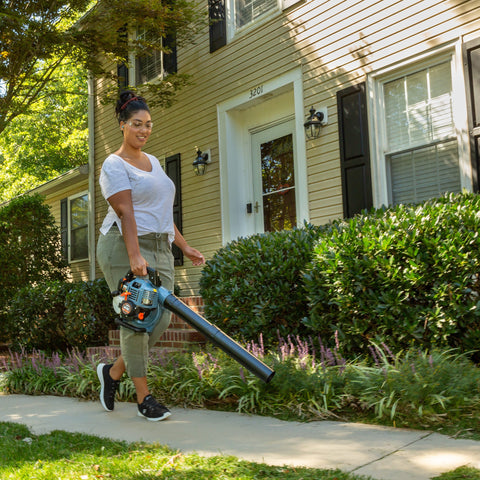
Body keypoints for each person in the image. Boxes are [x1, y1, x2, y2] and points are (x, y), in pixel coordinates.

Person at [96, 90, 205, 421]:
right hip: (122, 245)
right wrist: (134, 257)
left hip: (160, 245)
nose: (143, 130)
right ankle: (144, 399)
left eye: (148, 125)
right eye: (136, 124)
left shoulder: (153, 162)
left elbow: (160, 211)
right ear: (122, 125)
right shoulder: (113, 165)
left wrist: (183, 245)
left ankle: (112, 373)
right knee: (137, 319)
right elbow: (126, 212)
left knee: (163, 317)